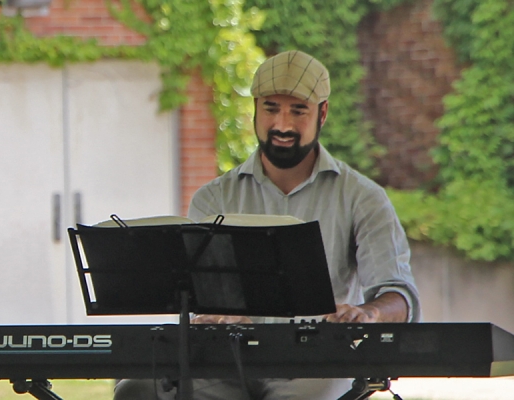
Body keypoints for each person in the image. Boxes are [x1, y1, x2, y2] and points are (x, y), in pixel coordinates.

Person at [114, 50, 421, 400]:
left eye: (298, 110)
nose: (283, 125)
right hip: (225, 363)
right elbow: (201, 296)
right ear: (255, 109)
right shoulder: (212, 198)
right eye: (271, 108)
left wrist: (368, 313)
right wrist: (214, 316)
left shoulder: (363, 197)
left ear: (323, 112)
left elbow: (400, 295)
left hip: (318, 366)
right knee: (137, 390)